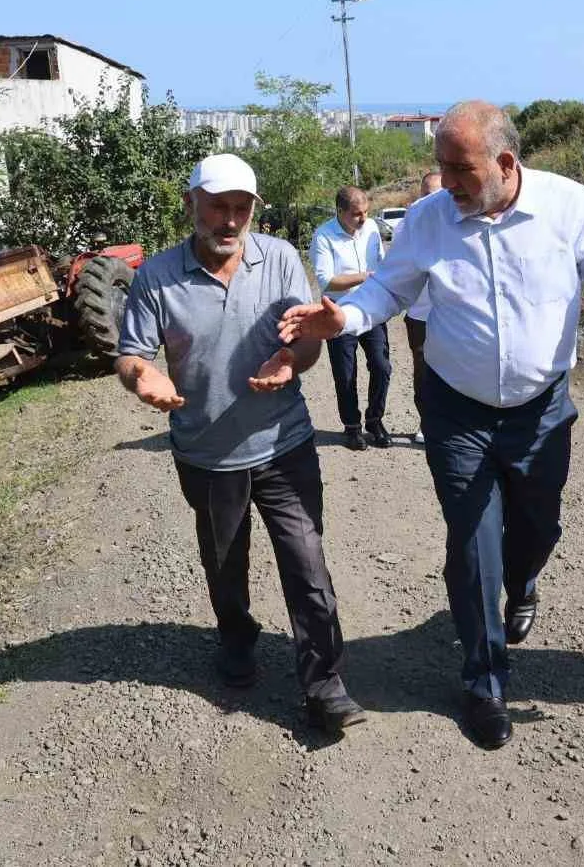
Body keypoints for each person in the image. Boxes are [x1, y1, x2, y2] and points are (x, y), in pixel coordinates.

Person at [279, 101, 584, 750]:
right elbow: (389, 289)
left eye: (460, 169)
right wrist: (345, 318)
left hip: (541, 408)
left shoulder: (567, 207)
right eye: (441, 167)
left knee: (538, 526)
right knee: (473, 537)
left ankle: (523, 578)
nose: (446, 182)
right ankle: (485, 682)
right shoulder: (428, 219)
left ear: (506, 164)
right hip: (457, 411)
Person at [115, 152, 365, 734]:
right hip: (206, 453)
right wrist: (142, 377)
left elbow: (306, 340)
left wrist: (292, 361)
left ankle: (326, 686)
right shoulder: (157, 275)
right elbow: (132, 355)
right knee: (225, 562)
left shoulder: (278, 258)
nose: (230, 222)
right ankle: (236, 637)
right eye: (218, 208)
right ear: (191, 206)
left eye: (241, 210)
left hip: (285, 443)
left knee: (307, 565)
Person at [309, 186, 392, 450]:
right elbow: (327, 281)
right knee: (345, 374)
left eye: (366, 212)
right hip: (339, 312)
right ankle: (352, 427)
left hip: (372, 309)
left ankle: (375, 420)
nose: (364, 219)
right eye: (357, 214)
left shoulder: (370, 230)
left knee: (382, 366)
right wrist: (364, 277)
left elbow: (381, 264)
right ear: (340, 211)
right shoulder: (323, 236)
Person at [401, 169, 442, 444]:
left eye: (439, 194)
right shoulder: (410, 224)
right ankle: (426, 422)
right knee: (423, 373)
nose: (433, 200)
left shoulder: (461, 220)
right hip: (420, 315)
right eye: (427, 194)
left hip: (452, 313)